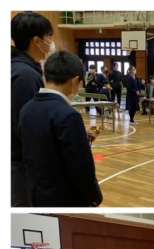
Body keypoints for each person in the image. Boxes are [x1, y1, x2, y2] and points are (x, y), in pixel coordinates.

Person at [19, 51, 103, 207]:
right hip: (65, 198)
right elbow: (81, 167)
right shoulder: (68, 115)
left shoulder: (26, 109)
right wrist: (94, 196)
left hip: (36, 195)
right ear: (75, 81)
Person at [11, 12, 54, 207]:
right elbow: (27, 128)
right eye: (49, 37)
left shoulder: (24, 69)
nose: (51, 42)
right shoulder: (24, 76)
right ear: (36, 41)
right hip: (20, 165)